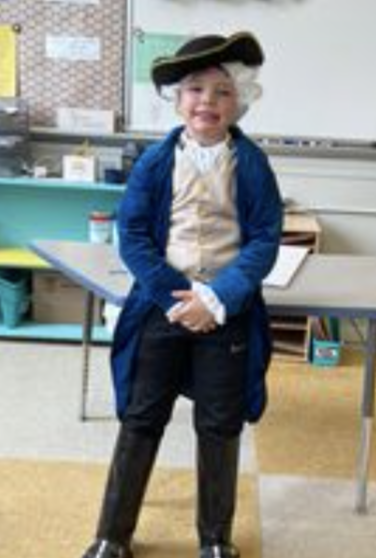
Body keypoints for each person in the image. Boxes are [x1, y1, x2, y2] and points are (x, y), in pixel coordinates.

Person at [81, 31, 283, 558]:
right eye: (195, 89)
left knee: (219, 423)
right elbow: (133, 235)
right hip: (162, 307)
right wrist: (178, 296)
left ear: (240, 100)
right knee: (142, 416)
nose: (207, 102)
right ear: (177, 99)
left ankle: (215, 539)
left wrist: (216, 299)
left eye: (222, 91)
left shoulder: (252, 164)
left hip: (225, 312)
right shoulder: (155, 162)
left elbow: (264, 239)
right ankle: (112, 535)